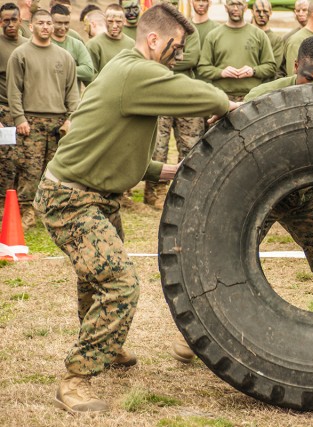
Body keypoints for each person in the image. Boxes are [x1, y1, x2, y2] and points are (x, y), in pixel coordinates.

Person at [33, 3, 234, 413]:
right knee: (119, 283)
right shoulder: (137, 71)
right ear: (154, 39)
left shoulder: (128, 67)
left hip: (95, 196)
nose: (178, 59)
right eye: (175, 49)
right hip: (70, 199)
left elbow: (115, 145)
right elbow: (207, 96)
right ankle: (74, 379)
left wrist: (167, 170)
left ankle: (105, 347)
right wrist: (227, 106)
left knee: (95, 279)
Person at [172, 36, 313, 363]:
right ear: (294, 67)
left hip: (305, 194)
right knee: (223, 257)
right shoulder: (264, 98)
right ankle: (201, 329)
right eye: (308, 79)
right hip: (259, 193)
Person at [7, 9, 79, 230]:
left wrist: (71, 119)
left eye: (49, 23)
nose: (46, 27)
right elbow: (14, 91)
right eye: (41, 23)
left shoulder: (64, 57)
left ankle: (53, 212)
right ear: (32, 26)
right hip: (31, 121)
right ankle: (27, 211)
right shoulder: (20, 54)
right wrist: (20, 118)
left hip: (58, 124)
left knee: (57, 170)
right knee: (29, 169)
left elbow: (72, 93)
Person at [145, 0, 203, 209]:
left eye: (175, 2)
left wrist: (165, 57)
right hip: (160, 91)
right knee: (157, 145)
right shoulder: (155, 30)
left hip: (185, 92)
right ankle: (155, 192)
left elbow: (192, 58)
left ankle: (187, 191)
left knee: (190, 144)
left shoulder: (191, 31)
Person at [198, 0, 276, 101]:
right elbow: (203, 68)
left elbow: (271, 67)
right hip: (222, 97)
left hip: (252, 97)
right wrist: (221, 72)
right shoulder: (213, 36)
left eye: (239, 4)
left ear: (245, 7)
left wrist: (253, 71)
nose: (235, 8)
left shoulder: (259, 35)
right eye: (232, 4)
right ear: (226, 7)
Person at [0, 2, 27, 218]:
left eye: (13, 20)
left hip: (25, 111)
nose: (9, 24)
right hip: (3, 111)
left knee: (24, 161)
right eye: (5, 20)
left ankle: (22, 206)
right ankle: (4, 207)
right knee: (5, 161)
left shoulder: (27, 46)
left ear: (20, 21)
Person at [50, 4, 95, 90]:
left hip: (72, 100)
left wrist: (61, 68)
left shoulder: (77, 44)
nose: (63, 28)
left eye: (66, 23)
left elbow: (89, 71)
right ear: (51, 22)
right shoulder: (44, 42)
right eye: (59, 23)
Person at [86, 4, 135, 73]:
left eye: (118, 22)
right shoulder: (93, 45)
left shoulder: (132, 44)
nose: (114, 26)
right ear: (105, 21)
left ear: (124, 21)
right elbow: (90, 75)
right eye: (110, 21)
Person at [252, 0, 284, 73]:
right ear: (252, 12)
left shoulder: (276, 39)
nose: (261, 15)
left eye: (265, 11)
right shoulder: (246, 34)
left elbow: (274, 67)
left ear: (270, 13)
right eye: (258, 11)